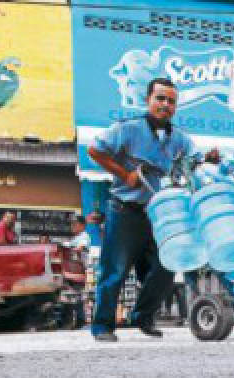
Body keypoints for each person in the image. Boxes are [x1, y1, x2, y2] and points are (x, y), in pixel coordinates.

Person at [85, 77, 199, 342]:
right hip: (125, 211)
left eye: (171, 101)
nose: (165, 105)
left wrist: (208, 159)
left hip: (160, 216)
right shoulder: (128, 129)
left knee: (167, 267)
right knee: (115, 271)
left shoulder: (180, 139)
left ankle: (143, 317)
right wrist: (126, 176)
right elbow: (95, 150)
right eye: (160, 98)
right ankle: (103, 326)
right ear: (148, 100)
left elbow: (194, 162)